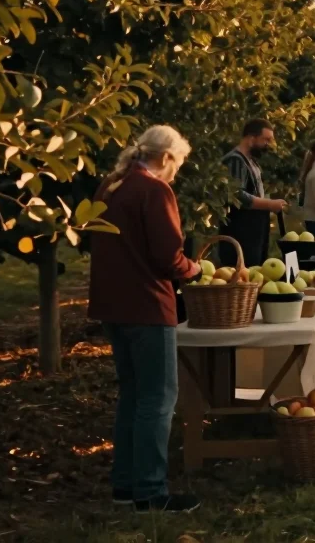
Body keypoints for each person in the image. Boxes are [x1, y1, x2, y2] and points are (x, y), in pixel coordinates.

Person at [88, 126, 201, 513]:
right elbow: (168, 257)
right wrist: (195, 270)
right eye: (179, 163)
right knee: (158, 398)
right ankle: (151, 491)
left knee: (133, 395)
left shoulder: (111, 186)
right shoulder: (154, 191)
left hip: (112, 304)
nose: (177, 172)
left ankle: (125, 485)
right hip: (147, 305)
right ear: (167, 157)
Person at [219, 120, 286, 268]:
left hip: (253, 231)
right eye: (266, 139)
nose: (268, 144)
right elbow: (236, 195)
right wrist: (269, 204)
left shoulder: (251, 162)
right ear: (251, 138)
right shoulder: (235, 161)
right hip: (240, 232)